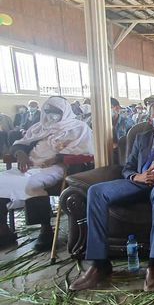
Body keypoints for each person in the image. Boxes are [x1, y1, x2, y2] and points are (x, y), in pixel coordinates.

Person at [69, 102, 154, 292]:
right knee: (96, 192)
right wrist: (138, 177)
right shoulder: (141, 138)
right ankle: (99, 264)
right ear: (150, 120)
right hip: (140, 182)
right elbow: (128, 168)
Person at [0, 96, 93, 250]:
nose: (51, 115)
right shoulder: (39, 128)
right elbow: (21, 144)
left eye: (55, 112)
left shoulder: (79, 128)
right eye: (48, 111)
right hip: (31, 164)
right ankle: (3, 230)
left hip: (58, 166)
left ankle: (45, 229)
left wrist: (60, 156)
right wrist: (20, 154)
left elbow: (86, 151)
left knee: (32, 184)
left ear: (64, 111)